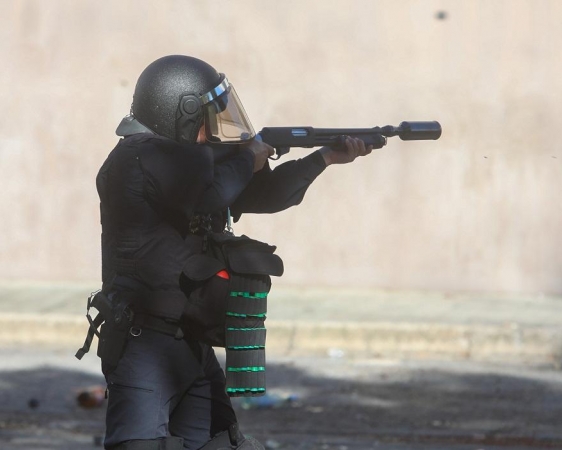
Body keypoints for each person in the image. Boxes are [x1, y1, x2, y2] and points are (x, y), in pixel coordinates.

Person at [88, 55, 372, 450]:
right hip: (145, 346)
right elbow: (213, 192)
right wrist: (246, 157)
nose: (210, 131)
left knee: (219, 442)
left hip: (189, 342)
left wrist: (324, 157)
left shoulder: (189, 167)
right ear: (180, 111)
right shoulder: (137, 159)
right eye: (205, 118)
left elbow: (264, 195)